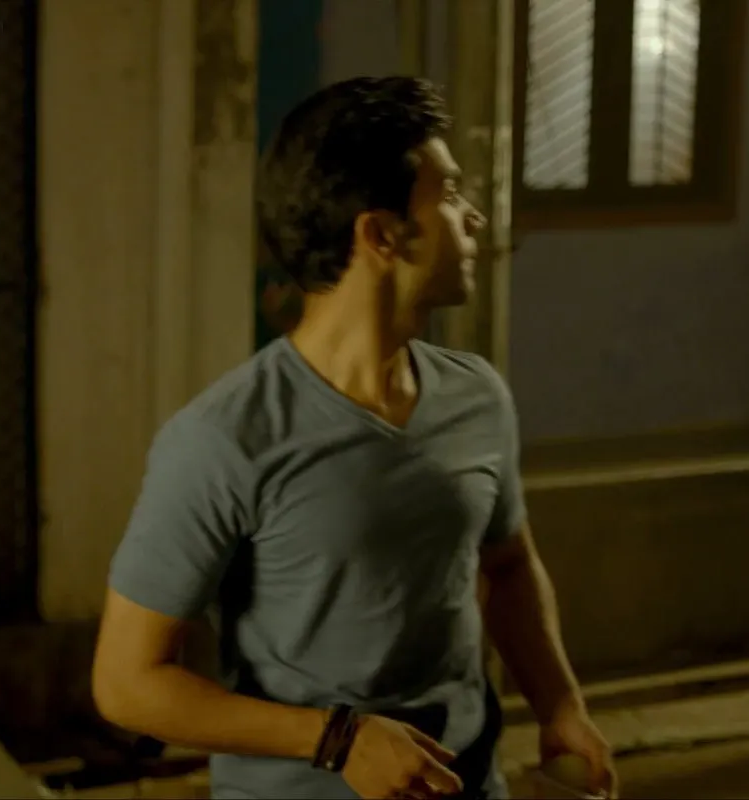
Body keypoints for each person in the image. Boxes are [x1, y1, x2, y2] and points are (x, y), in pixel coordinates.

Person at [90, 76, 616, 800]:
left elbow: (510, 567)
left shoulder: (476, 396)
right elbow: (125, 683)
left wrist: (561, 708)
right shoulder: (225, 437)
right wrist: (338, 739)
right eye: (449, 195)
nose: (474, 218)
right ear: (380, 235)